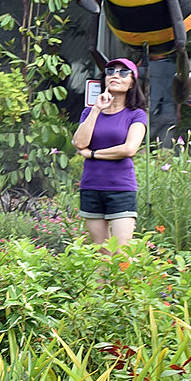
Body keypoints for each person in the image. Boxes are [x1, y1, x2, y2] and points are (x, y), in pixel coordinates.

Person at [72, 58, 148, 253]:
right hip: (91, 187)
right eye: (111, 71)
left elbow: (129, 149)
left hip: (121, 188)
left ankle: (125, 277)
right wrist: (97, 109)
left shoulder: (136, 114)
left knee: (122, 253)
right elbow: (79, 143)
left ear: (132, 83)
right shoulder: (90, 112)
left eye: (123, 72)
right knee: (102, 252)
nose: (115, 75)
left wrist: (93, 154)